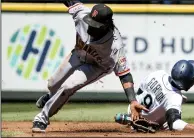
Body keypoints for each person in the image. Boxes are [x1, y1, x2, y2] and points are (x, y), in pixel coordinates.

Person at [32, 1, 148, 133]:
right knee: (53, 84)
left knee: (68, 86)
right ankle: (51, 95)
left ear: (105, 26)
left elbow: (124, 74)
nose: (90, 26)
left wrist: (133, 101)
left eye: (95, 25)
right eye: (91, 21)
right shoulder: (82, 14)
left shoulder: (115, 45)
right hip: (78, 53)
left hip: (97, 66)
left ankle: (41, 119)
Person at [115, 60, 194, 133]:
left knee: (167, 109)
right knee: (172, 123)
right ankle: (141, 124)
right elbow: (174, 124)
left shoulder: (159, 74)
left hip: (133, 111)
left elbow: (140, 90)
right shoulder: (175, 98)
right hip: (146, 125)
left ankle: (130, 119)